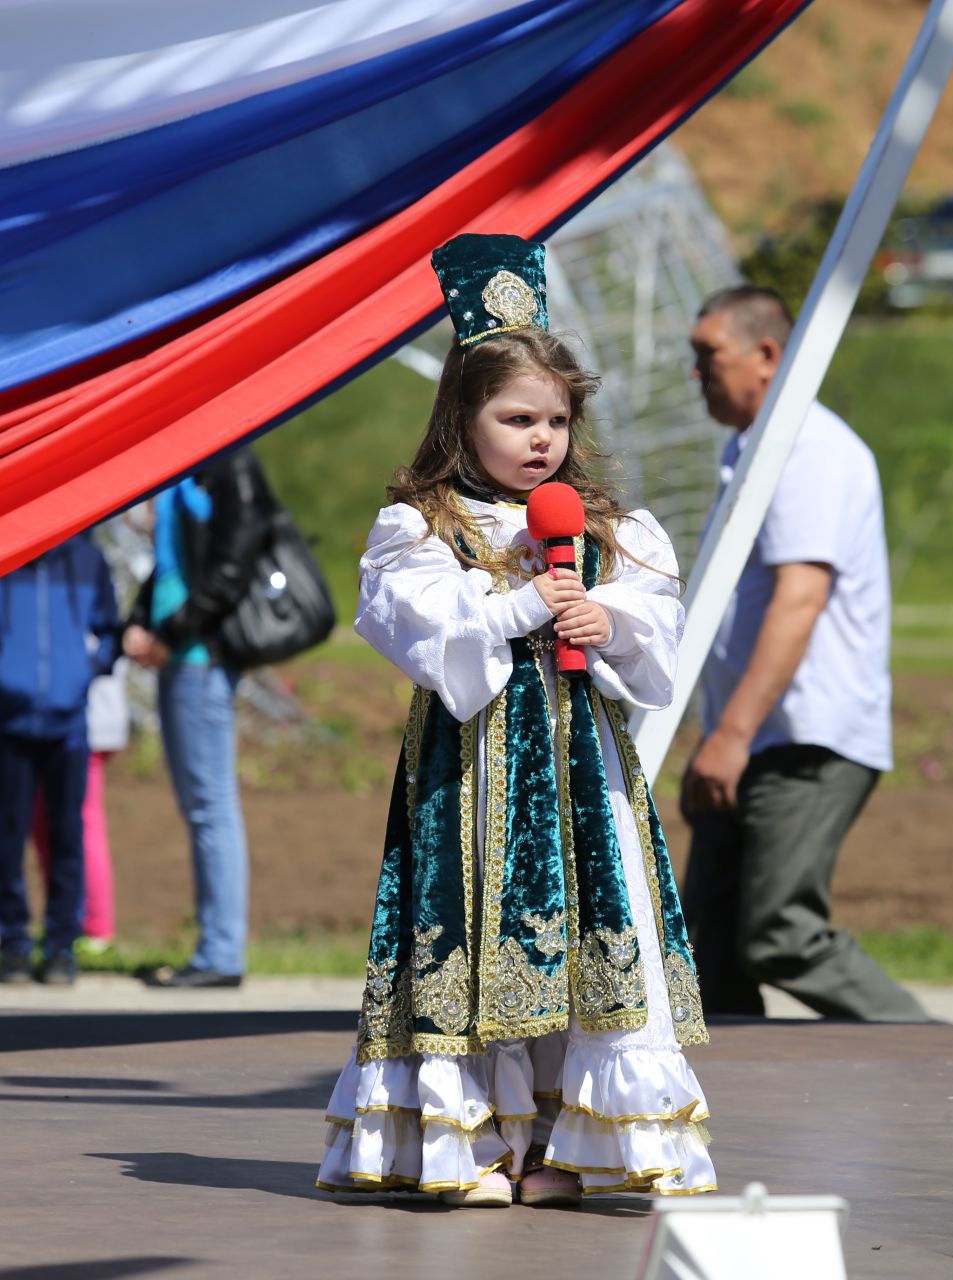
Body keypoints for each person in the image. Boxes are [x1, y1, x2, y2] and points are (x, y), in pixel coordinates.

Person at [316, 233, 713, 1208]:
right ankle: (470, 1140)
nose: (542, 439)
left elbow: (659, 652)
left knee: (585, 934)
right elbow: (433, 643)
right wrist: (530, 602)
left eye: (557, 419)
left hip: (582, 773)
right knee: (477, 934)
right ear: (464, 414)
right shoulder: (422, 524)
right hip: (473, 772)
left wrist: (603, 615)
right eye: (517, 416)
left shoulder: (609, 528)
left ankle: (568, 1149)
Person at [680, 285, 931, 1024]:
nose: (696, 374)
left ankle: (937, 1051)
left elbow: (800, 600)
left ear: (767, 355)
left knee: (780, 933)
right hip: (756, 735)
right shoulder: (751, 448)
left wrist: (730, 734)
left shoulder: (810, 451)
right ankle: (739, 1100)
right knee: (705, 951)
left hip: (804, 738)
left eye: (707, 356)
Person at [123, 447, 275, 989]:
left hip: (199, 658)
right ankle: (216, 946)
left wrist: (169, 633)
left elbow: (231, 566)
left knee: (211, 804)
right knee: (201, 804)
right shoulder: (185, 466)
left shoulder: (228, 462)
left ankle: (220, 952)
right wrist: (142, 621)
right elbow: (172, 566)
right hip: (178, 655)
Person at [0, 534, 123, 986]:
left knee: (67, 835)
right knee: (8, 836)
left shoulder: (87, 560)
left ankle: (61, 945)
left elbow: (110, 631)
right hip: (11, 726)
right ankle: (13, 943)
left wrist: (86, 670)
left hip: (68, 728)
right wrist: (0, 671)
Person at [32, 654, 129, 950]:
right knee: (51, 824)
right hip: (79, 718)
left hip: (82, 721)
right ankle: (67, 920)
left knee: (81, 824)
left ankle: (95, 928)